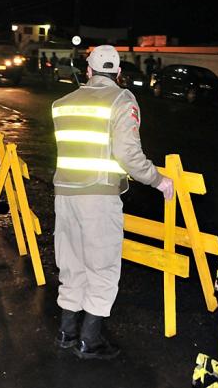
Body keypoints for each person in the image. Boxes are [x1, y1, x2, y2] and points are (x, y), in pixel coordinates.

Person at [51, 45, 173, 360]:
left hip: (65, 194)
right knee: (102, 266)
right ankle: (89, 340)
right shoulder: (122, 100)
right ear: (118, 74)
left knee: (71, 263)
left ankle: (66, 332)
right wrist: (158, 180)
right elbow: (129, 155)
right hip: (99, 196)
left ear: (89, 71)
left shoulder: (63, 103)